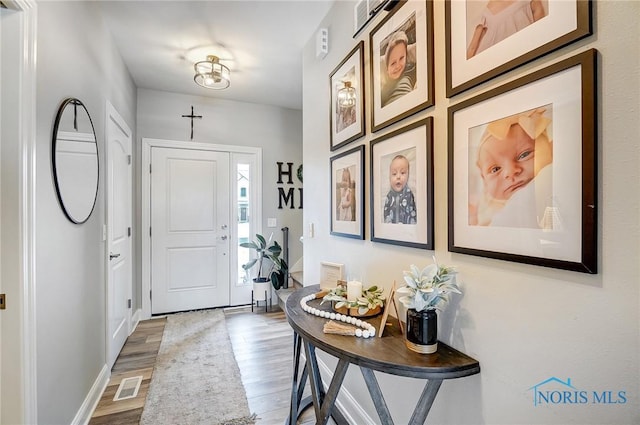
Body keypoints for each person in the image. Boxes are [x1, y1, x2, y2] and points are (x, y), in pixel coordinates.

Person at [469, 107, 553, 227]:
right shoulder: (483, 210)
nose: (511, 172)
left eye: (524, 155)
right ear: (484, 179)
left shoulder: (549, 182)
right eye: (495, 169)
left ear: (552, 149)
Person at [466, 0, 547, 59]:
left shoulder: (530, 2)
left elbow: (542, 32)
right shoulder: (485, 13)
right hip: (491, 69)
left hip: (526, 59)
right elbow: (472, 48)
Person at [380, 30, 417, 108]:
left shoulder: (406, 77)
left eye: (401, 58)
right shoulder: (381, 84)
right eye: (393, 63)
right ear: (386, 67)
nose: (398, 66)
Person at [383, 154, 417, 224]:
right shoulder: (389, 196)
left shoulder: (409, 194)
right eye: (394, 174)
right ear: (389, 177)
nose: (398, 177)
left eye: (402, 173)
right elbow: (386, 213)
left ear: (408, 175)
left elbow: (413, 214)